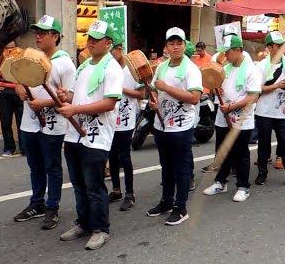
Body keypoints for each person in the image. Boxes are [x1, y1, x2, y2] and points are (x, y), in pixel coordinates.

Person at [57, 20, 124, 250]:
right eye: (89, 38)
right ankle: (83, 223)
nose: (91, 42)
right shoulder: (84, 66)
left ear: (108, 43)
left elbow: (109, 102)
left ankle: (100, 229)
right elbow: (76, 95)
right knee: (78, 184)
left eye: (96, 39)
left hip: (96, 136)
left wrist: (74, 109)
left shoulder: (112, 68)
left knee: (94, 185)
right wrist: (66, 96)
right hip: (74, 134)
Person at [13, 15, 76, 231]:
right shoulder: (32, 58)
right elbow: (19, 81)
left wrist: (44, 103)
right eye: (36, 32)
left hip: (53, 125)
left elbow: (70, 96)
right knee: (35, 166)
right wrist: (18, 88)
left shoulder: (64, 63)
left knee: (52, 166)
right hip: (29, 124)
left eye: (43, 32)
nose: (38, 36)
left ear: (56, 36)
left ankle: (52, 206)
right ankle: (37, 203)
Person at [147, 27, 202, 225]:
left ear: (184, 44)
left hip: (181, 128)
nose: (176, 46)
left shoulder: (191, 69)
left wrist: (166, 88)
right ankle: (166, 202)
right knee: (166, 166)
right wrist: (154, 100)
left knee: (181, 167)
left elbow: (195, 98)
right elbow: (154, 89)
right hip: (161, 125)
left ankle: (181, 207)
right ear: (166, 46)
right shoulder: (161, 67)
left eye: (179, 43)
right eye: (172, 43)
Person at [203, 34, 260, 202]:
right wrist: (216, 91)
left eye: (227, 52)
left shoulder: (251, 70)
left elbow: (253, 97)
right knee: (221, 150)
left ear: (237, 50)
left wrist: (232, 107)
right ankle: (220, 182)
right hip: (222, 117)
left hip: (241, 119)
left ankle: (243, 187)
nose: (225, 55)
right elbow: (217, 89)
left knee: (241, 153)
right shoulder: (225, 69)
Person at [254, 31, 285, 188]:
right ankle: (262, 172)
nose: (282, 48)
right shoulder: (260, 66)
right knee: (264, 144)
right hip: (263, 112)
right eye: (278, 45)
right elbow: (257, 89)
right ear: (269, 47)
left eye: (283, 45)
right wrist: (277, 86)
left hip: (283, 112)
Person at [107, 33, 145, 211]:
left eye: (112, 49)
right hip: (109, 119)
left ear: (119, 49)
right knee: (111, 155)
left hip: (126, 120)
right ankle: (116, 189)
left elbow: (141, 94)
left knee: (124, 156)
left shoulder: (131, 69)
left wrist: (121, 89)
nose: (109, 53)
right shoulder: (107, 67)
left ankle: (130, 193)